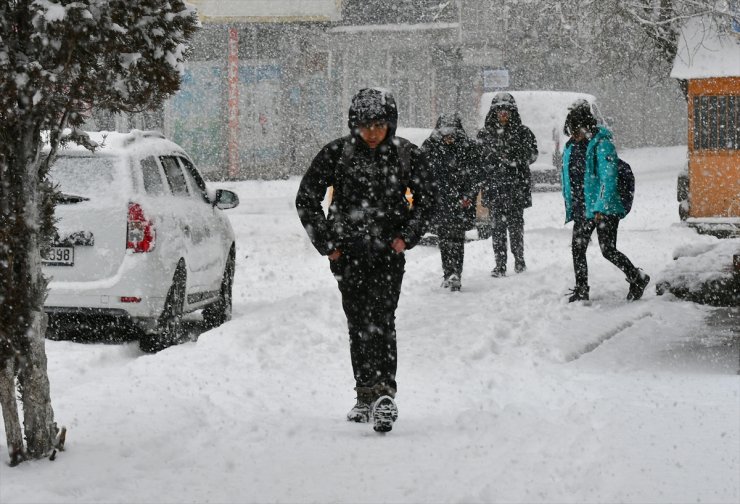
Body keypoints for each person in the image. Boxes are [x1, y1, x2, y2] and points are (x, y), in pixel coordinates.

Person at [295, 88, 433, 433]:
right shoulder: (337, 154)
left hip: (388, 254)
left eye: (379, 124)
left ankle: (385, 394)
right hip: (348, 255)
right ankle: (364, 393)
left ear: (390, 124)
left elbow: (428, 199)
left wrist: (407, 236)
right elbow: (306, 199)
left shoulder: (405, 156)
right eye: (366, 125)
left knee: (383, 320)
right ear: (354, 124)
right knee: (358, 323)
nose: (372, 132)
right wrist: (329, 244)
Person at [561, 100, 650, 302]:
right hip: (583, 207)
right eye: (571, 130)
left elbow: (608, 178)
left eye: (577, 130)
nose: (574, 135)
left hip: (605, 208)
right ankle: (581, 289)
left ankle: (637, 277)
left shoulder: (602, 145)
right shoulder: (571, 147)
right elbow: (569, 177)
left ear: (587, 126)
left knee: (607, 250)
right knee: (578, 248)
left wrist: (601, 206)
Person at [477, 92, 537, 277]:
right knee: (497, 229)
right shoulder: (484, 134)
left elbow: (533, 155)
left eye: (507, 110)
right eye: (500, 110)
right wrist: (490, 162)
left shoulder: (523, 132)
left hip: (516, 188)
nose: (503, 114)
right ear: (494, 112)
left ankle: (519, 261)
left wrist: (515, 159)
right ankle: (500, 264)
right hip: (495, 189)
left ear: (512, 112)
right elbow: (477, 160)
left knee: (516, 227)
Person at [421, 113, 480, 291]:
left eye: (451, 134)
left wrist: (468, 195)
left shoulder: (467, 147)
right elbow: (422, 173)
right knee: (445, 240)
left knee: (456, 239)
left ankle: (456, 274)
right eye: (445, 134)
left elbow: (475, 174)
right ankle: (448, 273)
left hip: (459, 202)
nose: (449, 138)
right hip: (440, 201)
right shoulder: (430, 146)